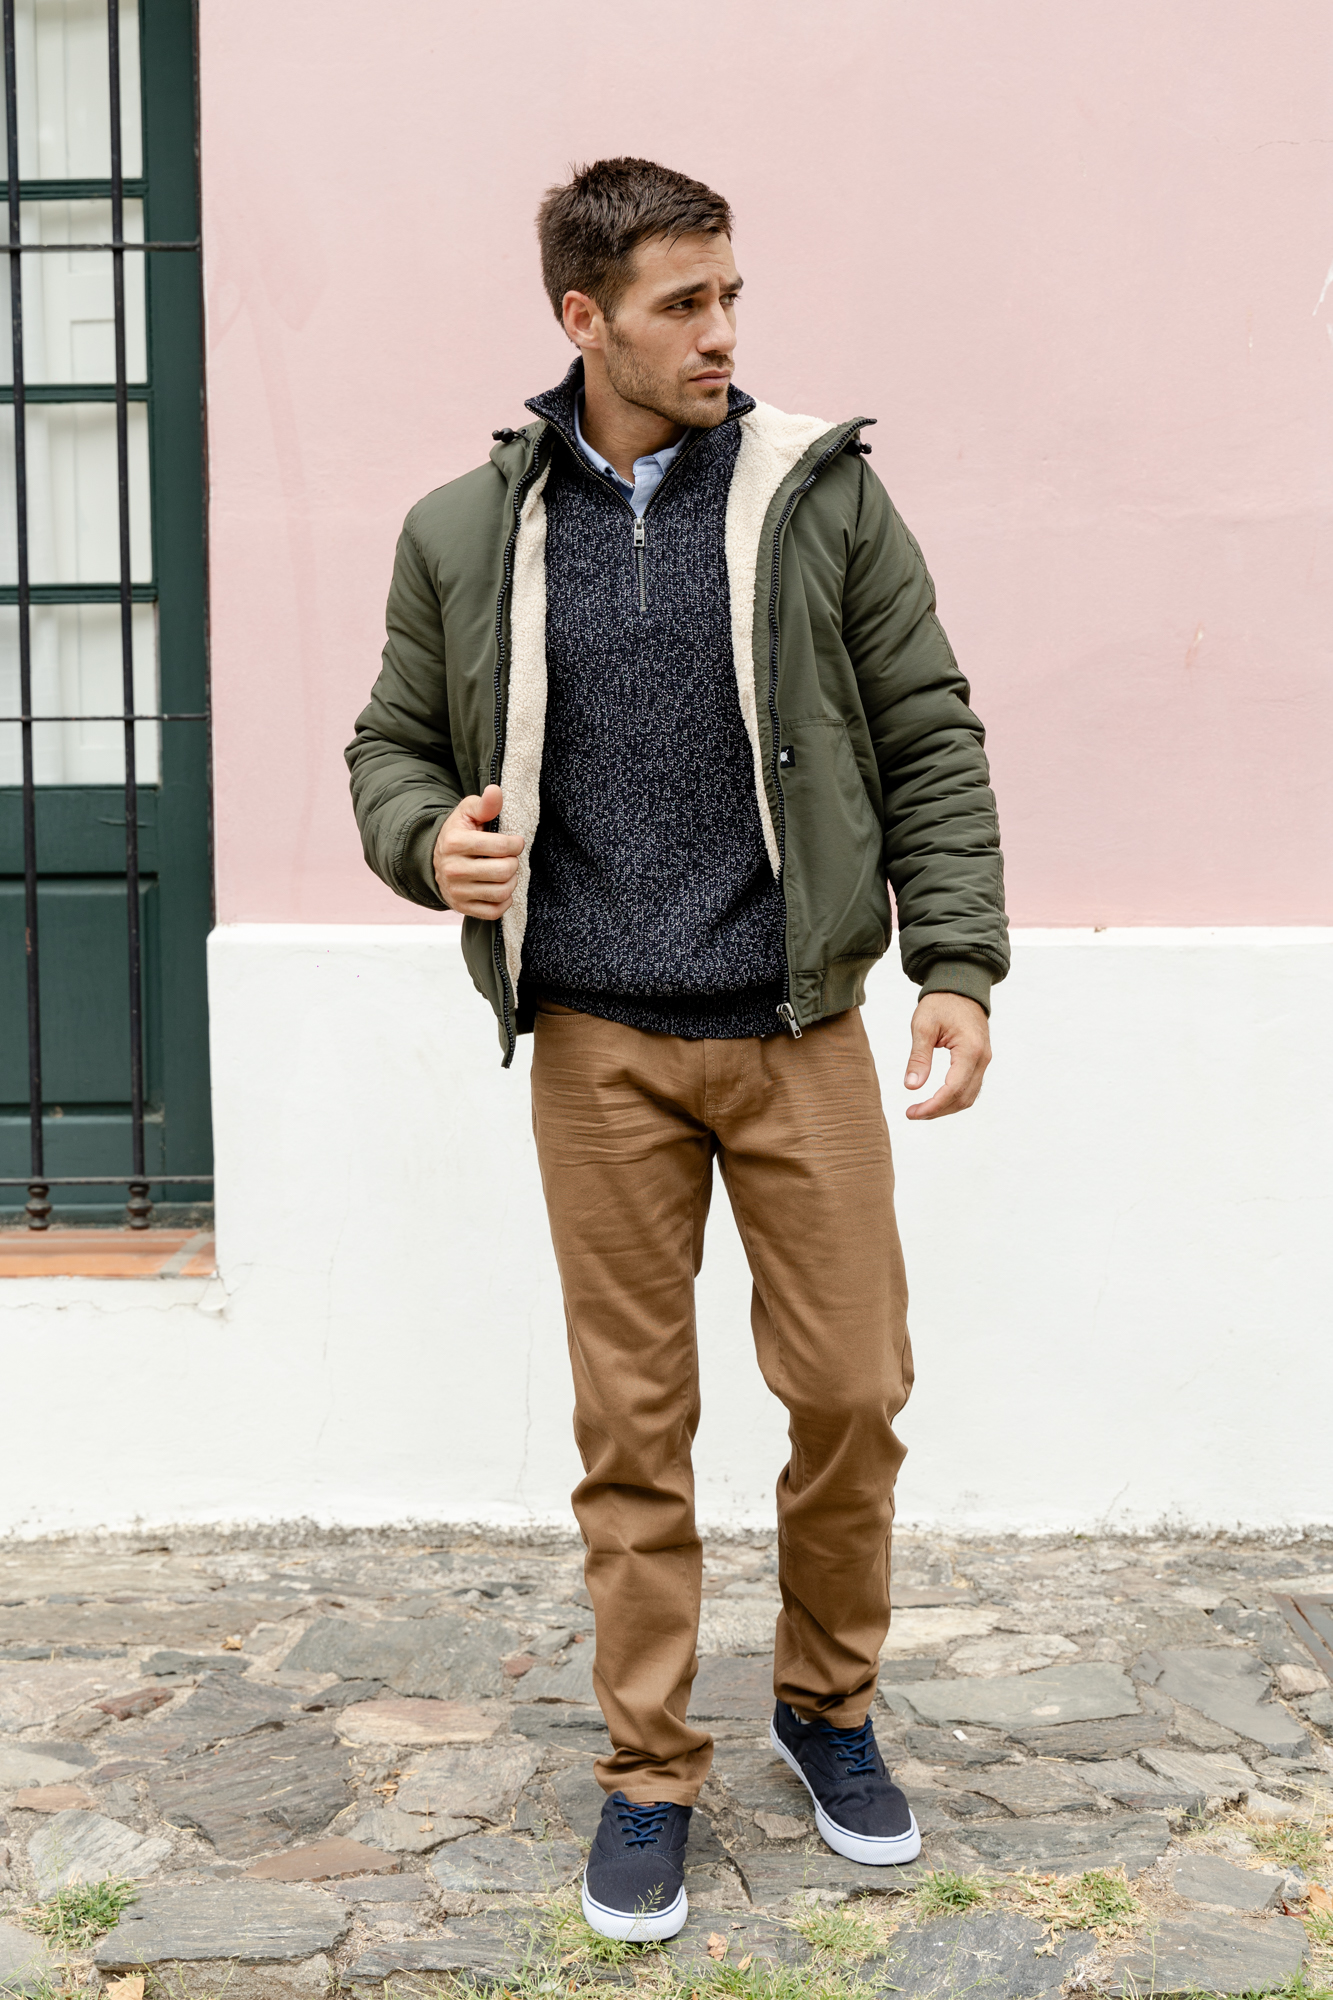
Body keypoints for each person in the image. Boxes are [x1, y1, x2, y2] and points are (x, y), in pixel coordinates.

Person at [347, 156, 1009, 1941]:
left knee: (852, 1390)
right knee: (633, 1429)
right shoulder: (464, 531)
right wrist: (426, 840)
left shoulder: (820, 495)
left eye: (730, 297)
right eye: (680, 305)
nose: (720, 333)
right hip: (597, 1045)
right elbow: (390, 745)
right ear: (585, 319)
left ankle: (825, 1707)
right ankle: (648, 1770)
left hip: (795, 1027)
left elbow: (928, 732)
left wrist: (956, 964)